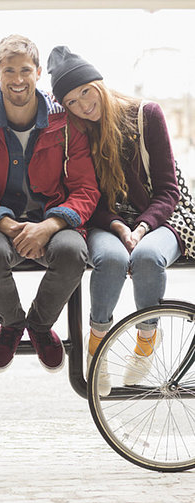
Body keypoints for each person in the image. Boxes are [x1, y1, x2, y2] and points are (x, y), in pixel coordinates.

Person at [0, 34, 100, 373]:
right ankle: (11, 324)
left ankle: (38, 326)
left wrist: (49, 225)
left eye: (25, 70)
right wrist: (10, 225)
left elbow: (86, 189)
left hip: (53, 221)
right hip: (0, 223)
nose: (18, 79)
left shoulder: (67, 123)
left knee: (72, 252)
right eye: (9, 71)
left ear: (37, 72)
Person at [47, 46, 182, 394]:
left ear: (98, 83)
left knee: (148, 257)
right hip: (106, 221)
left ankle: (146, 340)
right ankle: (97, 346)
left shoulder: (146, 115)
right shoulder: (78, 131)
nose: (82, 105)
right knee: (111, 258)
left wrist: (141, 227)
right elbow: (88, 196)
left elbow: (169, 190)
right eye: (72, 102)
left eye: (85, 93)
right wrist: (119, 226)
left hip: (162, 218)